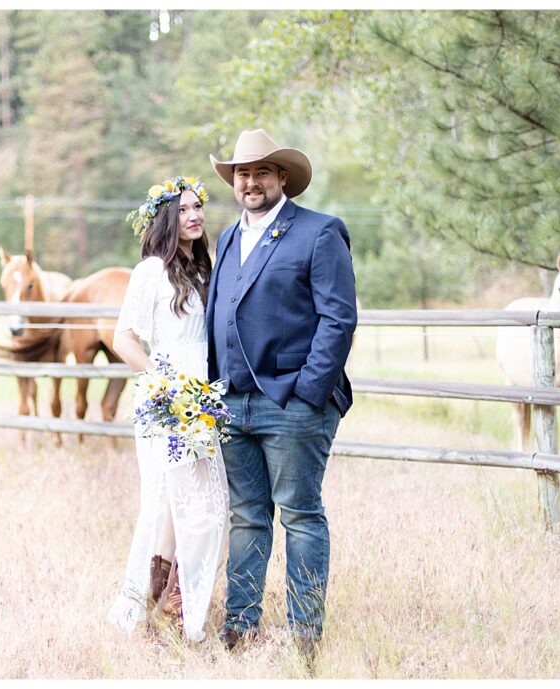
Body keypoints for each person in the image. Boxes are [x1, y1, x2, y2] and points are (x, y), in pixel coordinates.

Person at [205, 129, 357, 656]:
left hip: (292, 404)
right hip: (232, 403)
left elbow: (338, 319)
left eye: (261, 172)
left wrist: (309, 394)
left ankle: (304, 637)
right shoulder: (226, 238)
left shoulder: (319, 233)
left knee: (299, 514)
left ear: (282, 179)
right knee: (246, 515)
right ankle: (241, 628)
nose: (251, 182)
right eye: (242, 174)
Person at [106, 176, 230, 642]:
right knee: (173, 500)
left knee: (206, 504)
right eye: (182, 209)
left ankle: (168, 605)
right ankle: (165, 609)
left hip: (203, 398)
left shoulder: (205, 271)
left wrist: (201, 396)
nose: (194, 215)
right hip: (167, 399)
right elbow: (124, 340)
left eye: (198, 207)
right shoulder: (150, 273)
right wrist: (170, 389)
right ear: (165, 218)